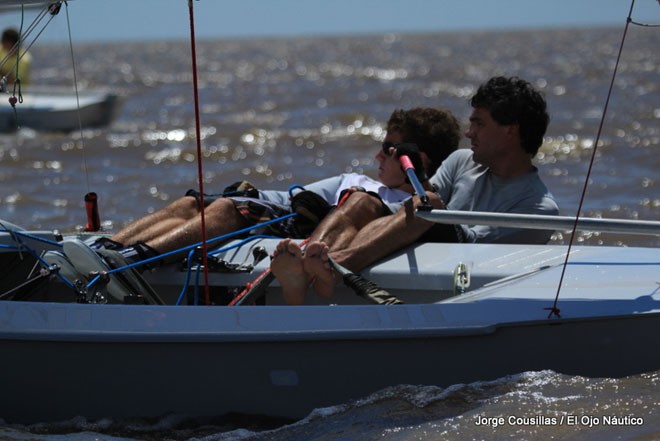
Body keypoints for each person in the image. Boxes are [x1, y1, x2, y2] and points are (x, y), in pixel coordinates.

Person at [54, 107, 462, 302]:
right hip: (274, 202)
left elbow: (362, 220)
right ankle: (102, 252)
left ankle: (127, 262)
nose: (378, 156)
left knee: (225, 212)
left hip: (288, 224)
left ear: (418, 159)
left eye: (389, 149)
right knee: (189, 204)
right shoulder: (366, 181)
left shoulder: (400, 200)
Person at [271, 76, 559, 304]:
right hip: (432, 229)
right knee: (362, 199)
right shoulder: (462, 160)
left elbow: (473, 244)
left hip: (463, 263)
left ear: (510, 130)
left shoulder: (539, 208)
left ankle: (334, 267)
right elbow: (412, 204)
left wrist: (427, 198)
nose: (469, 133)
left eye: (478, 124)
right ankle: (308, 265)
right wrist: (417, 181)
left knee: (426, 203)